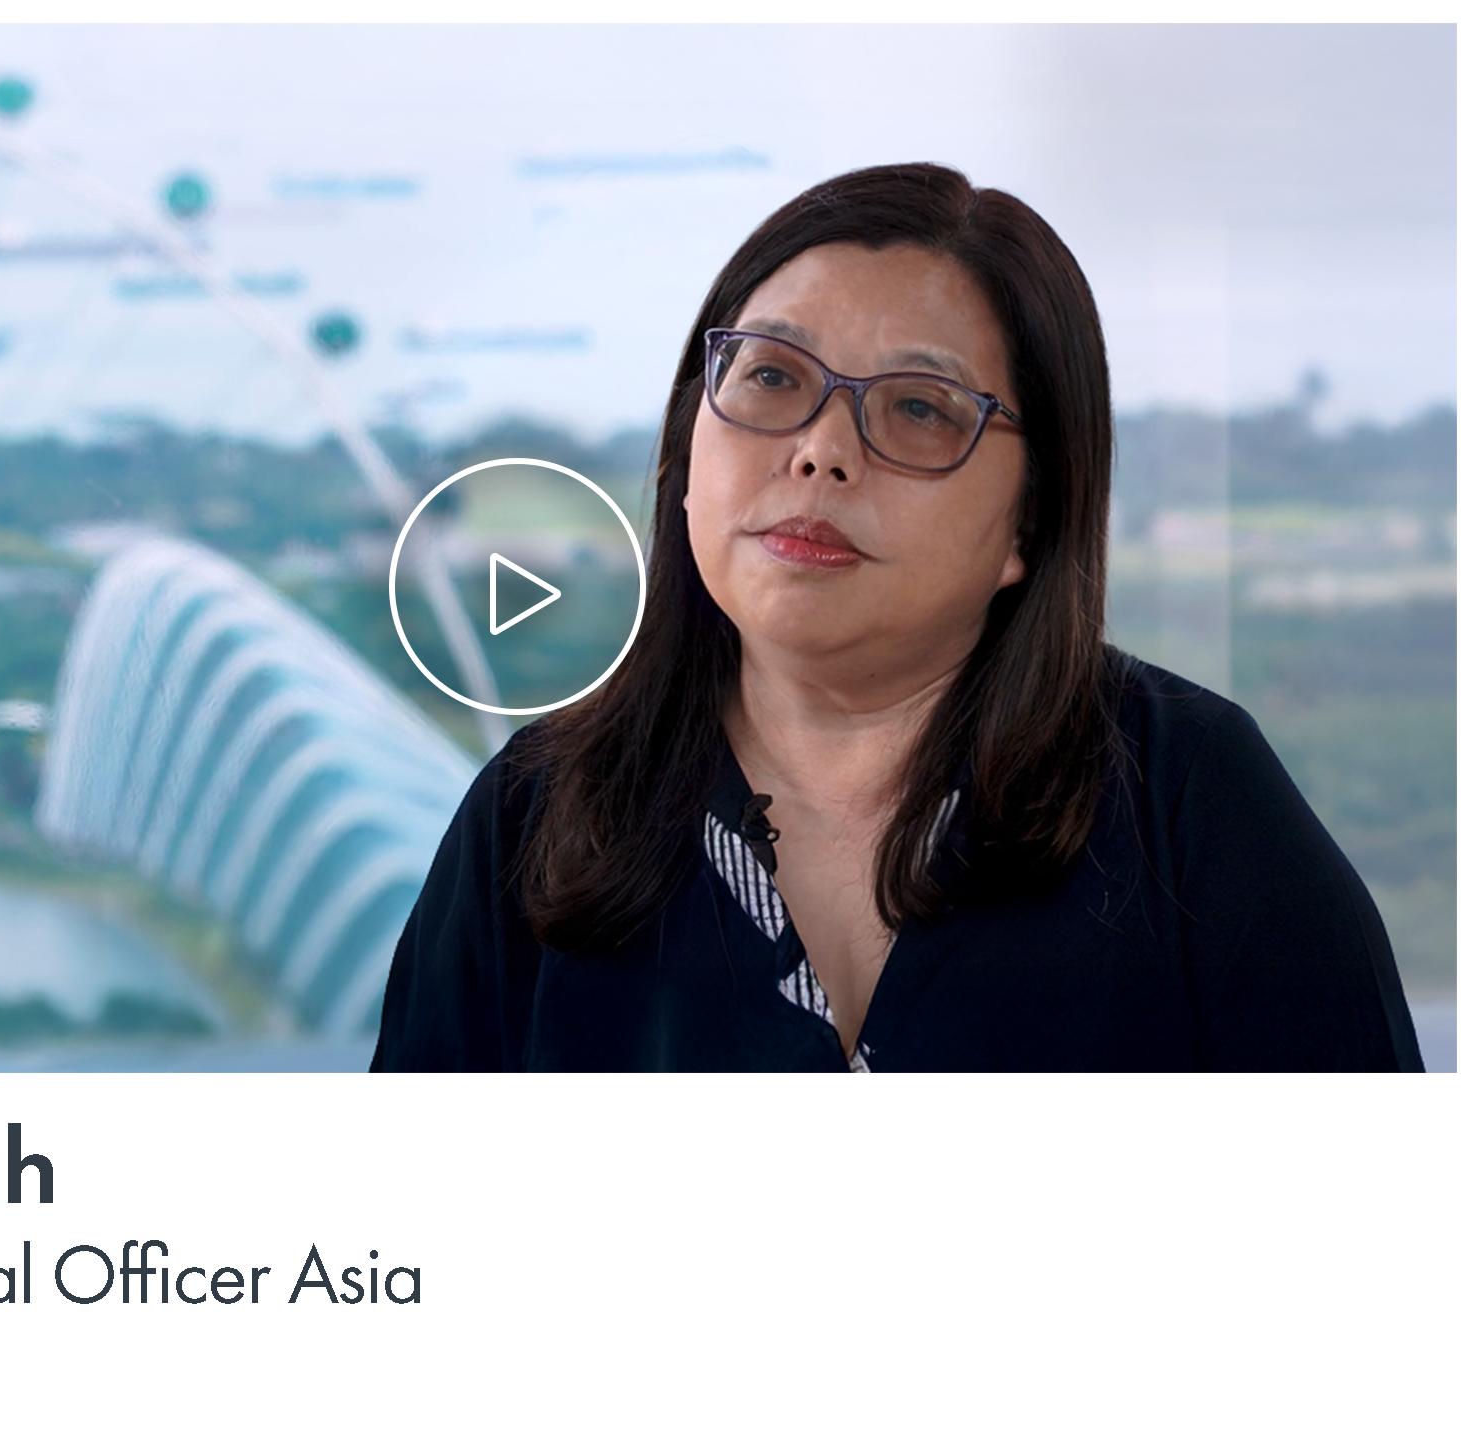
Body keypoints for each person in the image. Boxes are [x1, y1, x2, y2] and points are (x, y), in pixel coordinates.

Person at [370, 163, 1422, 1072]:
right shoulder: (532, 813)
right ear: (686, 447)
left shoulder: (1188, 800)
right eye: (770, 375)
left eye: (919, 407)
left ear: (1031, 517)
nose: (821, 451)